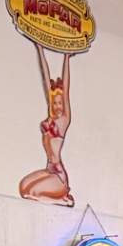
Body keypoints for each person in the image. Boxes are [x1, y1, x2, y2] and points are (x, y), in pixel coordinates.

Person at [18, 46, 73, 206]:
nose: (57, 106)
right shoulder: (50, 119)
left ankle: (64, 201)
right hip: (49, 169)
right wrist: (40, 49)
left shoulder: (64, 121)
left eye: (60, 103)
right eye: (55, 103)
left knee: (31, 194)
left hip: (59, 177)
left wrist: (66, 58)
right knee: (23, 188)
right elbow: (46, 78)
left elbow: (67, 88)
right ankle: (59, 198)